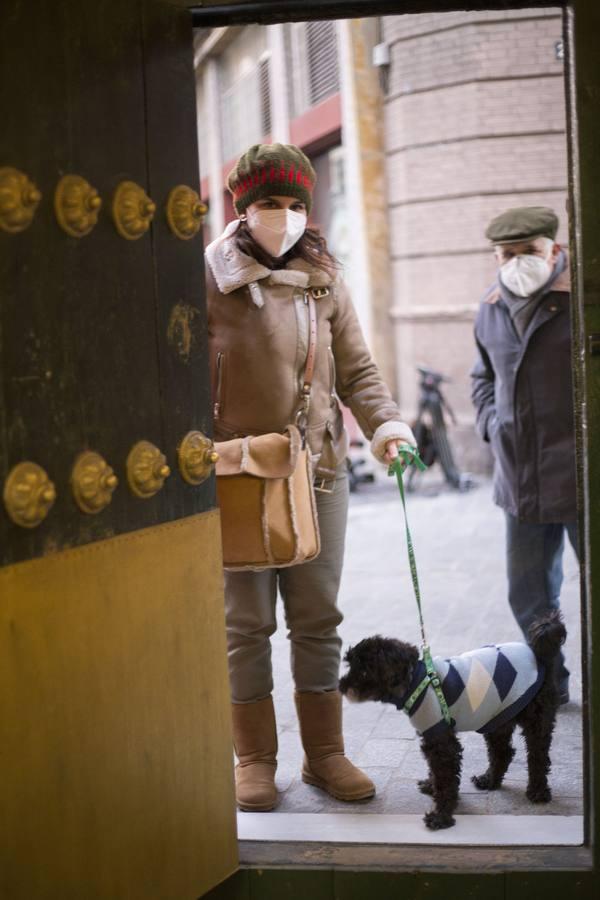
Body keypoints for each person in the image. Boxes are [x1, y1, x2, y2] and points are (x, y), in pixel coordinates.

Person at [205, 143, 416, 812]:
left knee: (317, 618)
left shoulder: (326, 278)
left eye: (298, 204)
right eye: (271, 203)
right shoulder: (205, 277)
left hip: (320, 470)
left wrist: (386, 427)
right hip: (240, 477)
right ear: (244, 208)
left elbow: (357, 371)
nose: (286, 216)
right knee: (244, 626)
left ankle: (325, 755)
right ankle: (256, 762)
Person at [470, 206, 577, 705]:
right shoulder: (490, 306)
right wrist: (493, 426)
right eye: (506, 254)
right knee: (530, 594)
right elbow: (482, 378)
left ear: (553, 250)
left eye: (528, 251)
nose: (517, 262)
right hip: (520, 478)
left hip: (580, 475)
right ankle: (551, 685)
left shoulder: (579, 299)